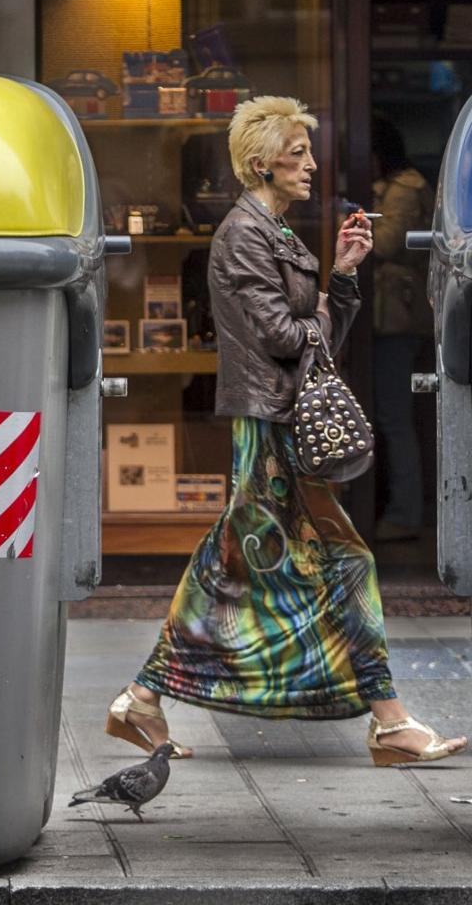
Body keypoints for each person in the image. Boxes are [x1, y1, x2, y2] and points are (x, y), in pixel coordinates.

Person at [104, 97, 466, 767]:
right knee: (338, 561)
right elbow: (284, 337)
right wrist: (326, 304)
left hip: (277, 415)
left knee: (236, 560)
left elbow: (312, 337)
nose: (310, 164)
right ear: (259, 162)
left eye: (308, 150)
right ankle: (388, 722)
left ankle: (143, 699)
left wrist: (342, 276)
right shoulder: (245, 235)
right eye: (296, 153)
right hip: (272, 421)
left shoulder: (273, 231)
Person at [370, 117, 435, 542]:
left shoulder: (404, 190)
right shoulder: (396, 189)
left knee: (394, 417)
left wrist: (356, 222)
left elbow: (386, 243)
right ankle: (400, 509)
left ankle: (404, 513)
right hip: (393, 314)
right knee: (393, 415)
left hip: (397, 316)